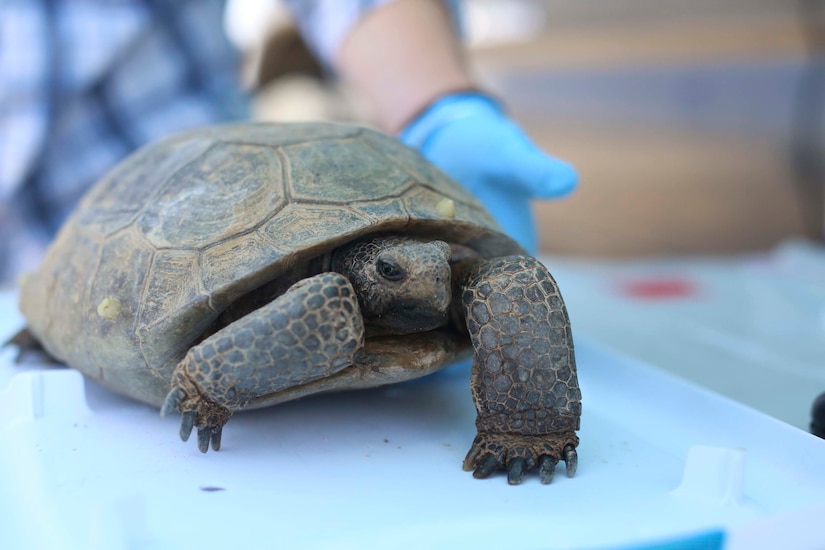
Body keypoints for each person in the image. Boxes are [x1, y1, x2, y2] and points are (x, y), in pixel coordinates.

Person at [0, 0, 577, 284]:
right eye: (398, 275)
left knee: (513, 287)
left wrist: (437, 105)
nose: (427, 286)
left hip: (208, 203)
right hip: (116, 247)